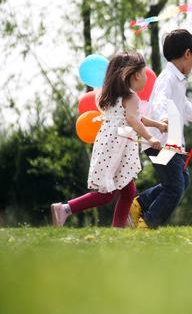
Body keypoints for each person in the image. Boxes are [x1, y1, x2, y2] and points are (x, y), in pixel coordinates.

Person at [130, 29, 192, 228]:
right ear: (188, 54)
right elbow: (160, 100)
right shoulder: (167, 78)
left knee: (181, 182)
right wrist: (163, 117)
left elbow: (186, 108)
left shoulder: (178, 80)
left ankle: (140, 204)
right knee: (175, 188)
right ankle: (147, 223)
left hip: (170, 142)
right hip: (160, 143)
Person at [50, 51, 166, 227]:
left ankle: (117, 231)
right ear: (135, 75)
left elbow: (134, 117)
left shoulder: (112, 95)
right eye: (144, 73)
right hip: (118, 146)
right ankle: (65, 209)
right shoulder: (131, 96)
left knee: (128, 190)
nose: (146, 77)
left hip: (110, 142)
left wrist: (157, 125)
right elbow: (133, 120)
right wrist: (150, 138)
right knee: (106, 194)